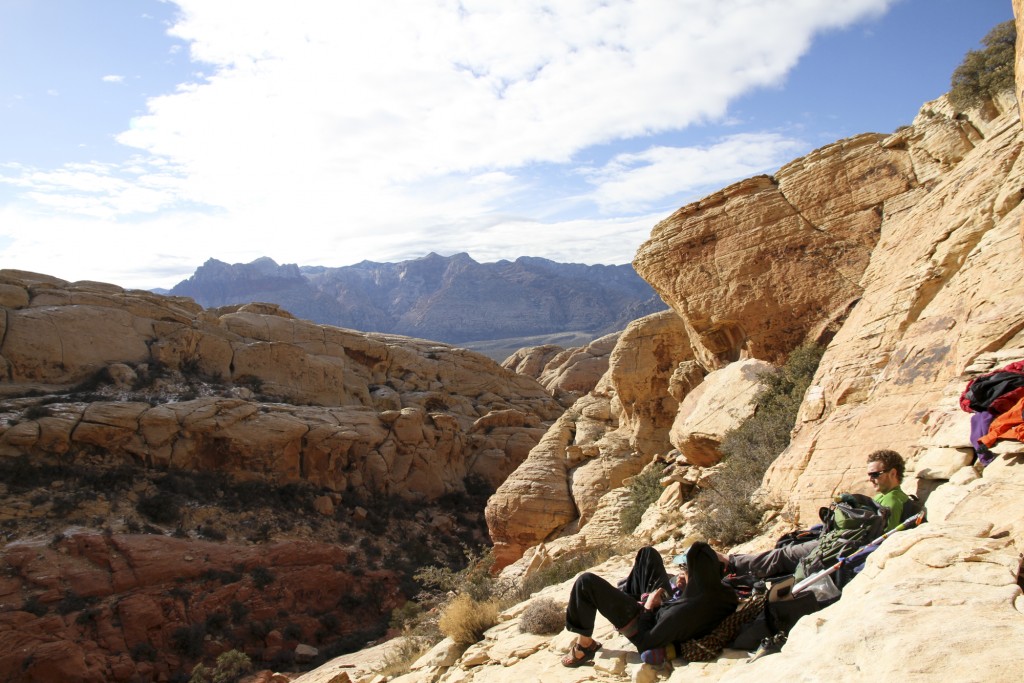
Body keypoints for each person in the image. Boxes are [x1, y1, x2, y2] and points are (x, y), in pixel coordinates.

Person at [721, 450, 912, 579]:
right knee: (791, 545)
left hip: (844, 545)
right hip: (842, 539)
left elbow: (882, 537)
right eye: (869, 475)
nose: (871, 480)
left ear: (893, 473)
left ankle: (732, 564)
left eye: (875, 475)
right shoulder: (890, 497)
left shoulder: (892, 501)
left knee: (784, 554)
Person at [561, 542, 737, 667]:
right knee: (647, 553)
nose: (681, 573)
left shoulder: (679, 613)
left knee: (586, 582)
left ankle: (585, 645)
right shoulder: (725, 594)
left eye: (684, 568)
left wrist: (647, 608)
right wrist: (685, 589)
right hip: (668, 606)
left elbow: (645, 642)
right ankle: (626, 597)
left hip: (644, 622)